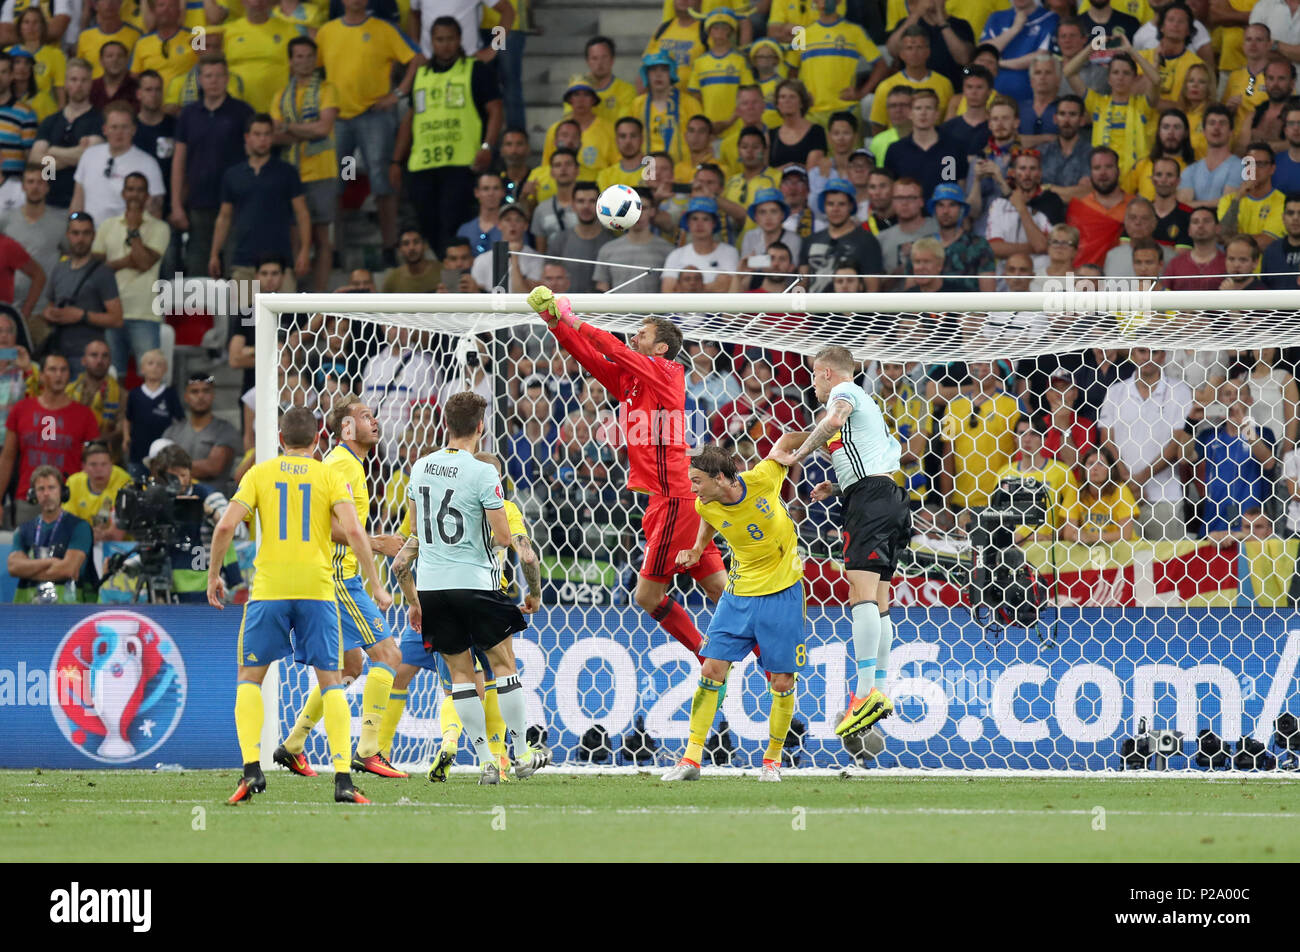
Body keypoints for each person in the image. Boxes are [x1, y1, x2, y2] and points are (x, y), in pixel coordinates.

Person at [528, 285, 730, 664]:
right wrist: (555, 324)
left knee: (646, 597)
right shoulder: (632, 379)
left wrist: (575, 318)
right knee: (721, 591)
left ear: (660, 349)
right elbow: (590, 357)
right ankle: (774, 666)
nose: (633, 336)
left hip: (675, 497)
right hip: (671, 498)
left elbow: (614, 348)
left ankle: (708, 657)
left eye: (642, 333)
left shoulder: (670, 372)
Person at [209, 406, 392, 804]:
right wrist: (376, 582)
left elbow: (225, 526)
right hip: (318, 590)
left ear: (279, 440)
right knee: (333, 682)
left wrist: (213, 575)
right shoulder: (328, 474)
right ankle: (343, 780)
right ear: (316, 442)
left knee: (249, 678)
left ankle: (251, 771)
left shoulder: (259, 473)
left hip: (270, 590)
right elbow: (355, 531)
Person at [389, 391, 545, 785]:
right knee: (503, 665)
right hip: (475, 583)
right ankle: (522, 754)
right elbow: (506, 538)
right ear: (480, 427)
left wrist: (413, 599)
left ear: (445, 424)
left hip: (433, 587)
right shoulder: (483, 472)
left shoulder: (420, 467)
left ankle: (484, 762)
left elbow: (411, 536)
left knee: (460, 674)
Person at [772, 344, 906, 739]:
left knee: (860, 595)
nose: (812, 383)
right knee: (879, 600)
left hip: (871, 502)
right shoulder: (871, 408)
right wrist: (840, 484)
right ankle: (877, 688)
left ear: (828, 373)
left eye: (815, 375)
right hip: (890, 499)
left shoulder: (845, 394)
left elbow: (833, 419)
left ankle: (864, 695)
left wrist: (796, 455)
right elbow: (877, 455)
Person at [273, 396, 410, 780]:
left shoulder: (347, 464)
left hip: (332, 574)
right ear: (345, 429)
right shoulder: (340, 464)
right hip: (337, 576)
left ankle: (293, 745)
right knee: (389, 655)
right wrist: (377, 543)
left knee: (350, 665)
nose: (375, 421)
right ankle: (368, 750)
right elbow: (323, 523)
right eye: (365, 416)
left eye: (374, 415)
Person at [662, 439, 809, 783]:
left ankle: (772, 762)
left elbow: (785, 441)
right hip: (738, 594)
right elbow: (710, 521)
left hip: (783, 592)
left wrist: (826, 432)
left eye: (697, 480)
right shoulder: (704, 505)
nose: (692, 486)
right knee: (712, 669)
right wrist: (698, 547)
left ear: (721, 478)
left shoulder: (763, 478)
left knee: (782, 679)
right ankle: (691, 759)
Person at [317, 0, 422, 266]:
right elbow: (312, 67)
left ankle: (389, 247)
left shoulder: (384, 29)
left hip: (375, 116)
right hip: (338, 119)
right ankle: (335, 250)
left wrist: (398, 94)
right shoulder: (326, 31)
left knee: (382, 183)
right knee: (336, 186)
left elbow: (417, 58)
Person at [170, 54, 255, 280]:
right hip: (199, 203)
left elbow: (255, 155)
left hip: (236, 204)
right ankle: (202, 316)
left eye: (219, 75)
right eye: (208, 76)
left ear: (227, 79)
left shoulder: (243, 112)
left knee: (237, 268)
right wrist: (176, 204)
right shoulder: (188, 114)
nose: (214, 81)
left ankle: (241, 316)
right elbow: (179, 160)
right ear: (199, 80)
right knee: (199, 270)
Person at [1097, 347, 1192, 541]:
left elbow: (1178, 441)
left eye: (1154, 352)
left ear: (1164, 355)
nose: (1148, 357)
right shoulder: (1116, 391)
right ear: (1133, 355)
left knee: (1170, 564)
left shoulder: (1180, 390)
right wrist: (1126, 479)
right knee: (1127, 566)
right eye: (1142, 351)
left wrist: (1139, 479)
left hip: (1166, 496)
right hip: (1122, 495)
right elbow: (1107, 440)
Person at [270, 35, 338, 294]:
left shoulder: (327, 89)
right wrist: (300, 130)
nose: (305, 61)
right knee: (294, 238)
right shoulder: (280, 95)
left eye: (310, 56)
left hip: (322, 171)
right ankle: (294, 297)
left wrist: (289, 127)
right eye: (299, 56)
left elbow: (323, 128)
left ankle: (320, 297)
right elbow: (274, 135)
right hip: (291, 172)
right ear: (290, 61)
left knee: (322, 238)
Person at [0, 353, 100, 524]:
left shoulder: (84, 415)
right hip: (28, 497)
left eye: (63, 370)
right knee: (24, 551)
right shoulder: (21, 409)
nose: (58, 375)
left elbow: (93, 462)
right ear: (42, 374)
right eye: (53, 369)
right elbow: (7, 458)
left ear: (69, 375)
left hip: (69, 500)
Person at [210, 113, 310, 282]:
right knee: (240, 309)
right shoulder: (232, 175)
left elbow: (302, 214)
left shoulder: (287, 172)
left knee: (283, 309)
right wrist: (214, 253)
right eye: (257, 134)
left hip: (280, 262)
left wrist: (305, 250)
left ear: (272, 138)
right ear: (247, 137)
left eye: (267, 134)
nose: (262, 140)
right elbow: (224, 217)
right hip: (243, 260)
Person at [92, 171, 169, 376]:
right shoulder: (107, 226)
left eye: (140, 190)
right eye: (131, 189)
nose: (135, 195)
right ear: (123, 193)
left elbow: (143, 263)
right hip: (110, 313)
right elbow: (97, 269)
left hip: (145, 314)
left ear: (147, 195)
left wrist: (134, 230)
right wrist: (127, 261)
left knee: (151, 377)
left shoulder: (160, 228)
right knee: (111, 378)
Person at [1194, 376, 1276, 537]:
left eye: (1239, 393)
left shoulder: (1263, 433)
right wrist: (1191, 421)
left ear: (1250, 400)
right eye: (1227, 393)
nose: (1233, 397)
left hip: (1250, 526)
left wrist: (1244, 425)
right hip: (1213, 523)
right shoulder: (1208, 435)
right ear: (1219, 400)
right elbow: (1184, 456)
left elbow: (1268, 461)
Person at [42, 212, 123, 375]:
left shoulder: (103, 272)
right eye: (75, 233)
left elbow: (117, 319)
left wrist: (82, 316)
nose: (80, 239)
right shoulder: (59, 269)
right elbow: (49, 305)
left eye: (86, 233)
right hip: (59, 353)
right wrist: (50, 314)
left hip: (89, 357)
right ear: (68, 235)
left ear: (93, 236)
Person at [8, 465, 94, 603]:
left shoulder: (79, 527)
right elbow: (14, 567)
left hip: (69, 608)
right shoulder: (23, 530)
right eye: (41, 489)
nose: (46, 493)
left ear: (63, 491)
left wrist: (28, 568)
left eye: (52, 487)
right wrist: (51, 562)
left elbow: (68, 570)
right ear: (33, 494)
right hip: (27, 609)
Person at [29, 58, 100, 210]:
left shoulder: (99, 120)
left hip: (85, 203)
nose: (78, 85)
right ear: (66, 83)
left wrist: (52, 152)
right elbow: (35, 159)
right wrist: (75, 156)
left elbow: (89, 158)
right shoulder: (50, 121)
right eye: (73, 80)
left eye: (84, 80)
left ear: (91, 84)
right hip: (49, 201)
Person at [995, 418, 1080, 544]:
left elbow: (1070, 523)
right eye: (1022, 434)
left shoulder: (1061, 472)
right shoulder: (1003, 473)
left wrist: (1049, 537)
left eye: (1033, 434)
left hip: (1046, 548)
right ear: (1015, 438)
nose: (1027, 439)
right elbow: (994, 517)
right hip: (1011, 548)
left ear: (1044, 439)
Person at [162, 371, 242, 496]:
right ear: (186, 396)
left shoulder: (226, 430)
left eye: (206, 391)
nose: (200, 396)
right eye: (194, 391)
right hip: (178, 499)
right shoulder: (172, 432)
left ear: (213, 394)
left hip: (215, 502)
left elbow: (213, 467)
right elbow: (161, 467)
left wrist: (175, 467)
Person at [884, 88, 968, 200]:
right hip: (908, 215)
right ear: (910, 113)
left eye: (928, 108)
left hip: (944, 214)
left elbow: (961, 187)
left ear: (937, 114)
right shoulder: (895, 150)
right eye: (918, 108)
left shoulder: (954, 147)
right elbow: (891, 189)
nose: (923, 113)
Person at [871, 25, 954, 135]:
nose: (914, 52)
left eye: (919, 47)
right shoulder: (886, 86)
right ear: (901, 54)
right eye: (909, 48)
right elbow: (878, 126)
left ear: (928, 52)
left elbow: (948, 123)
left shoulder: (944, 84)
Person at [593, 187, 674, 295]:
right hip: (616, 312)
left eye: (643, 208)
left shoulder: (668, 250)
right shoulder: (607, 249)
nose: (638, 213)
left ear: (653, 211)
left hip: (654, 312)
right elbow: (602, 288)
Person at [980, 0, 1059, 105]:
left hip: (1031, 98)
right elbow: (984, 52)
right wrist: (1015, 28)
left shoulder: (1051, 18)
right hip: (993, 98)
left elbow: (1041, 57)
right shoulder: (997, 17)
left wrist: (998, 63)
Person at [1066, 147, 1132, 266]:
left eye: (1108, 167)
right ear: (1090, 173)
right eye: (1097, 168)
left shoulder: (1135, 206)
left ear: (1118, 170)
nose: (1103, 173)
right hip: (1085, 278)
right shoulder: (1078, 207)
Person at [547, 180, 614, 293]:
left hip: (599, 308)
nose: (586, 206)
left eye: (592, 201)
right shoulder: (559, 240)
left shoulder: (611, 242)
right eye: (580, 201)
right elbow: (548, 280)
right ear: (573, 205)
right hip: (564, 307)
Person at [1061, 446, 1139, 544]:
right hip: (1090, 549)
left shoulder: (1120, 490)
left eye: (1101, 464)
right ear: (1084, 468)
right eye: (1090, 464)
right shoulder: (1076, 490)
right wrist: (1079, 536)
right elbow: (1068, 533)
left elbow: (1126, 534)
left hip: (1121, 548)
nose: (1095, 468)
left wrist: (1092, 537)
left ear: (1110, 469)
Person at [661, 196, 740, 292]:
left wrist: (686, 288)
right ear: (688, 223)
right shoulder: (676, 255)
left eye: (705, 219)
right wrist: (712, 286)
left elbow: (730, 287)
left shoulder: (729, 252)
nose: (699, 224)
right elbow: (668, 292)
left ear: (714, 223)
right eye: (694, 219)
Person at [121, 348, 182, 471]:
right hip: (137, 451)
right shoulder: (134, 394)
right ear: (142, 369)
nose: (155, 367)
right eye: (150, 363)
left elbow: (180, 421)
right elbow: (127, 418)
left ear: (165, 370)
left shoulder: (170, 394)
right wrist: (126, 437)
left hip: (163, 454)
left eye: (159, 364)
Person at [1218, 142, 1285, 249]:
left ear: (1272, 169)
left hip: (1263, 265)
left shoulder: (1283, 202)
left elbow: (1265, 242)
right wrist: (1238, 199)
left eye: (1261, 164)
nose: (1254, 169)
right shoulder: (1229, 200)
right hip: (1232, 264)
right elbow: (1222, 237)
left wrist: (1232, 240)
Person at [1176, 105, 1243, 208]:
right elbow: (1183, 206)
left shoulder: (1240, 167)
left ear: (1231, 132)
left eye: (1222, 123)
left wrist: (1195, 204)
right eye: (1212, 123)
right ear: (1203, 131)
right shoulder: (1190, 170)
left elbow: (1228, 204)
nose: (1216, 127)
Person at [873, 176, 935, 281]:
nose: (904, 203)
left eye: (911, 198)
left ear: (921, 201)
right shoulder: (881, 239)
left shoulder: (938, 229)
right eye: (899, 198)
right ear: (892, 202)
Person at [1163, 205, 1224, 290]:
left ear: (1218, 228)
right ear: (1189, 230)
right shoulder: (1175, 264)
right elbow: (1164, 297)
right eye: (1195, 222)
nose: (1200, 226)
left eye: (1206, 221)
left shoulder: (1228, 262)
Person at [381, 227, 441, 293]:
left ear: (425, 245)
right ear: (400, 249)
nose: (411, 248)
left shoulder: (442, 270)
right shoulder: (392, 281)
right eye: (406, 244)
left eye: (416, 242)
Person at [89, 41, 137, 110]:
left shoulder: (137, 88)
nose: (115, 60)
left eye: (120, 56)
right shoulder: (91, 87)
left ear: (127, 60)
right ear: (101, 61)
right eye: (109, 56)